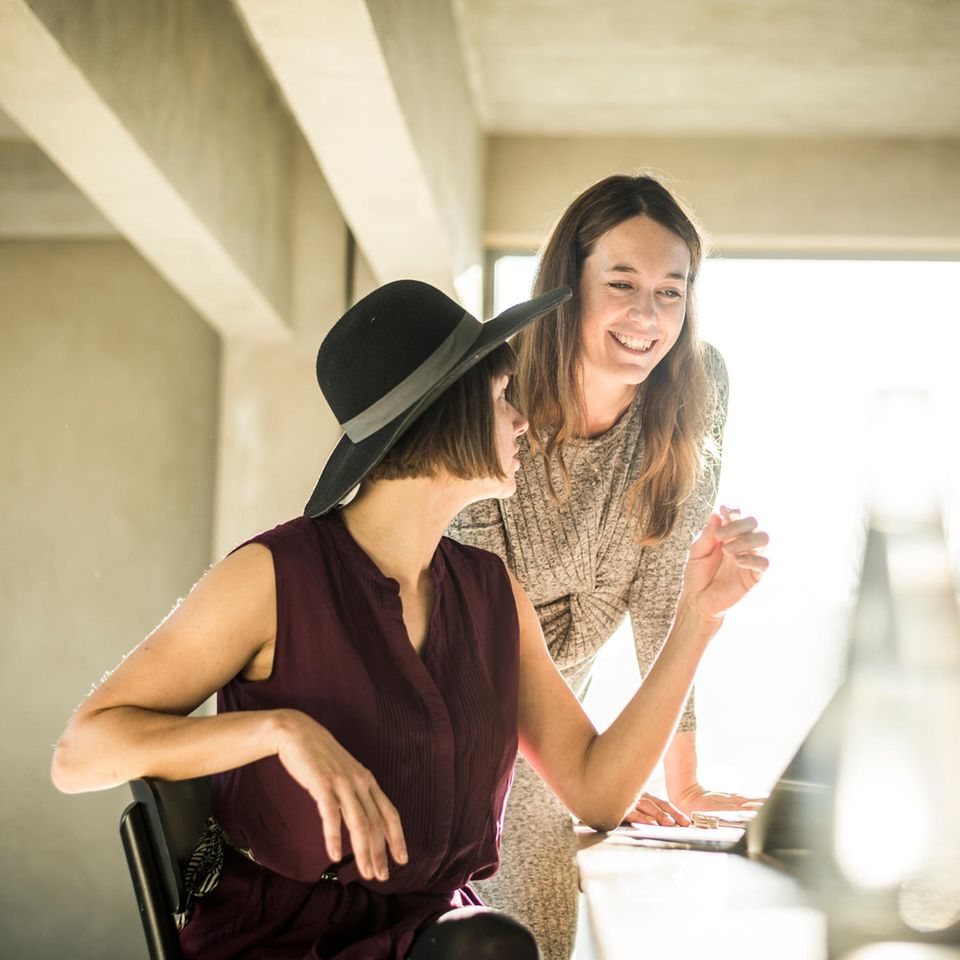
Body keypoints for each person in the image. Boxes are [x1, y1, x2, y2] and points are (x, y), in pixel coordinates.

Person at [51, 280, 768, 960]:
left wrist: (698, 619)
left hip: (441, 936)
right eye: (500, 396)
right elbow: (79, 754)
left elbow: (597, 793)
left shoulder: (492, 594)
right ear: (441, 412)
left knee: (489, 944)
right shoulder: (273, 576)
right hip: (283, 942)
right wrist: (278, 730)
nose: (521, 419)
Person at [448, 173, 761, 958]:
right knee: (504, 929)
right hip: (456, 713)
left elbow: (666, 592)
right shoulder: (488, 397)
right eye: (622, 284)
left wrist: (682, 779)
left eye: (670, 291)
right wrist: (596, 774)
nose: (647, 317)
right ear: (569, 284)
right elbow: (480, 643)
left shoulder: (697, 387)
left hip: (564, 728)